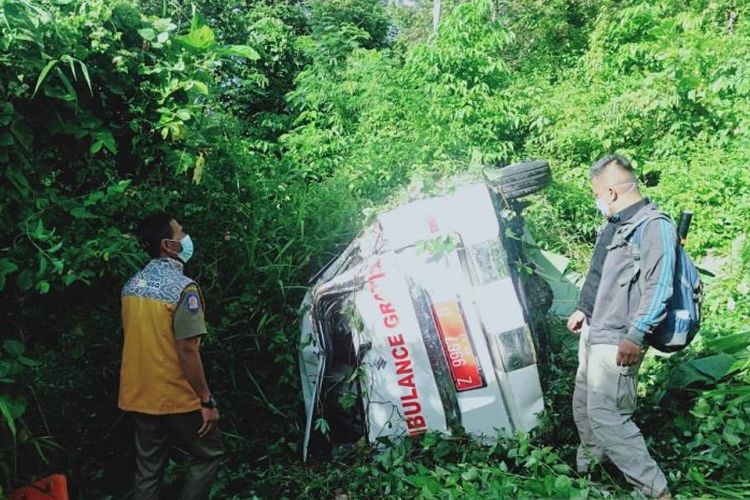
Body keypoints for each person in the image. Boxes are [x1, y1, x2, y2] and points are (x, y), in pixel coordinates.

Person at [567, 155, 673, 499]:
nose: (596, 200)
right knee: (585, 406)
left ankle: (655, 490)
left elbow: (660, 286)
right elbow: (602, 274)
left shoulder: (654, 226)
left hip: (618, 338)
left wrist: (637, 334)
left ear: (611, 192)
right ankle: (591, 474)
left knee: (608, 416)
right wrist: (584, 309)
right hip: (595, 330)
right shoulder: (616, 223)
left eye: (596, 193)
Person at [119, 212, 223, 500]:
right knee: (208, 453)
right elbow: (187, 351)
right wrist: (206, 400)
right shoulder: (183, 289)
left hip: (139, 394)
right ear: (168, 245)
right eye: (180, 234)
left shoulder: (131, 286)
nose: (185, 238)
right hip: (176, 396)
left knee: (149, 470)